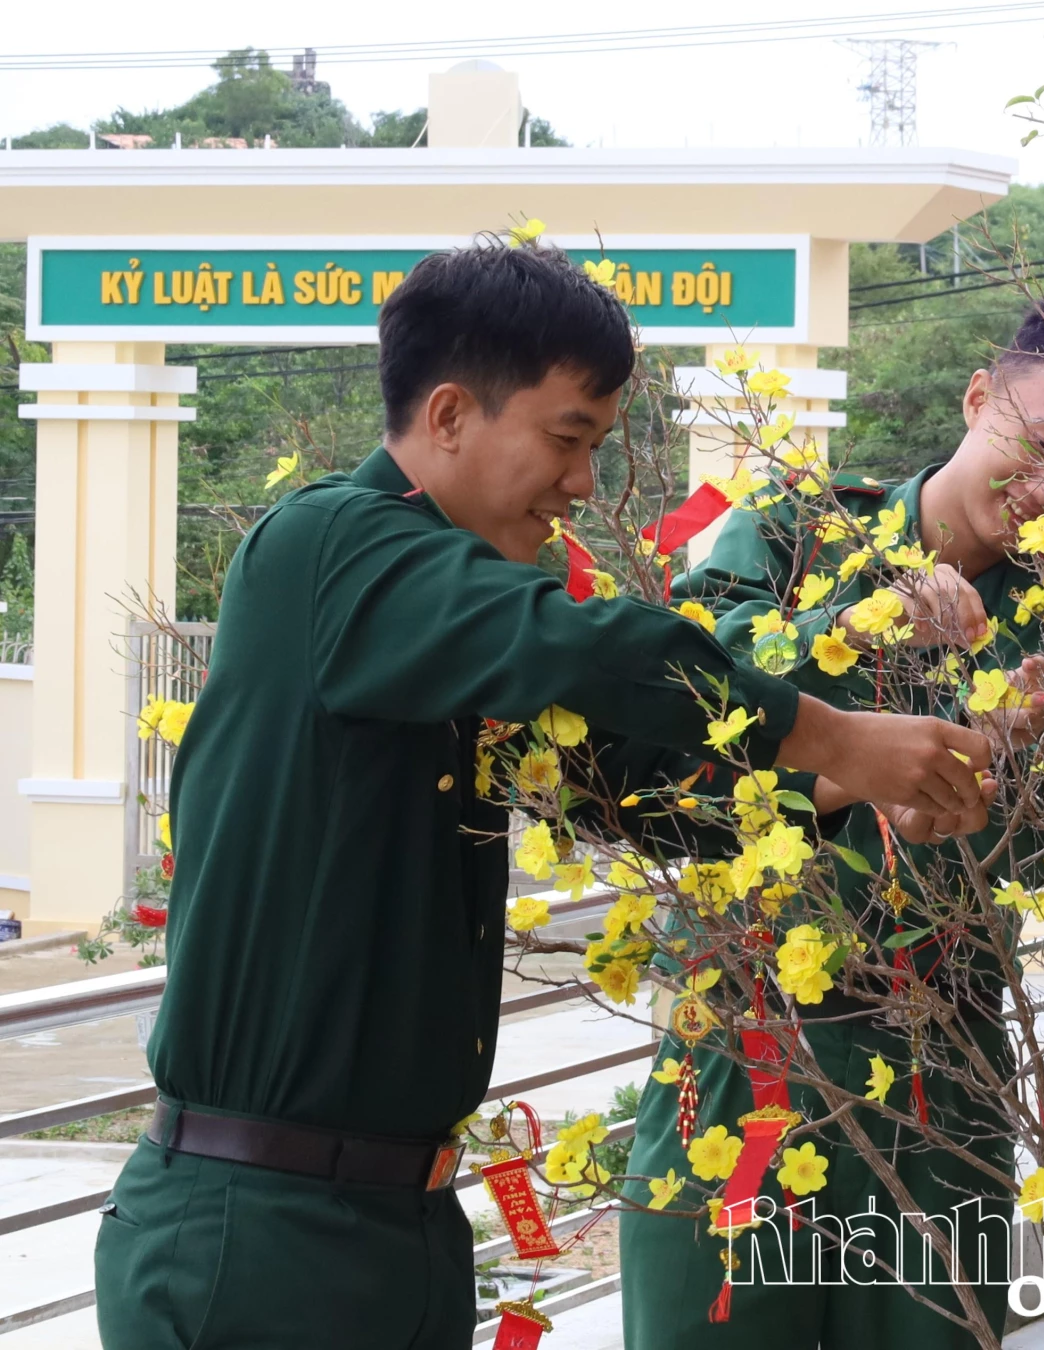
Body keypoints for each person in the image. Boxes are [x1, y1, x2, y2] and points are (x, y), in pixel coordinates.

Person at [95, 241, 993, 1350]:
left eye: (598, 448)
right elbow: (584, 644)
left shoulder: (456, 627)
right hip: (259, 1230)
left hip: (401, 1222)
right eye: (568, 439)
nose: (583, 486)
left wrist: (857, 783)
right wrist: (841, 733)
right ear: (449, 414)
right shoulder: (333, 546)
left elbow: (635, 794)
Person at [619, 295, 1044, 1349]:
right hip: (749, 1035)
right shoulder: (799, 530)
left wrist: (1007, 786)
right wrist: (854, 624)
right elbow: (678, 694)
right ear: (977, 398)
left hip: (942, 1054)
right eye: (1040, 447)